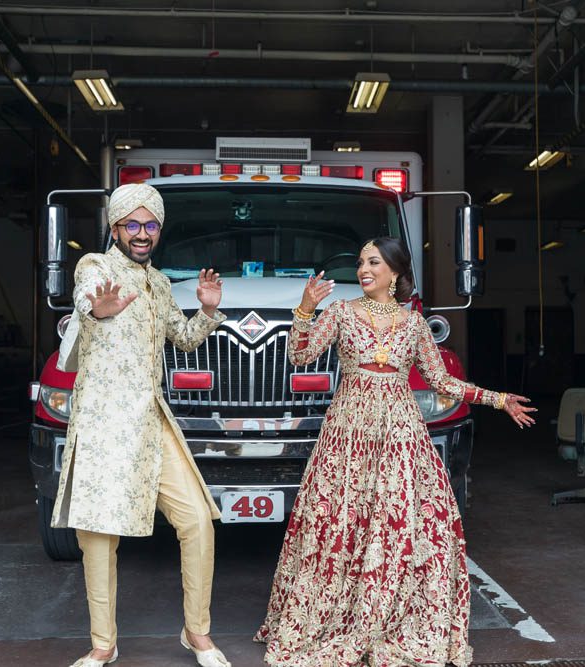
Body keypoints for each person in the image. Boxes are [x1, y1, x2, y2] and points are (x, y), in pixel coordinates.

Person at [254, 237, 536, 667]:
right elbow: (300, 354)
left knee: (401, 522)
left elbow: (442, 382)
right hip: (348, 434)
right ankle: (337, 616)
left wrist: (498, 400)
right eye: (361, 263)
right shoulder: (341, 312)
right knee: (342, 520)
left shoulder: (414, 324)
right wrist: (306, 308)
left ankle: (390, 618)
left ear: (395, 272)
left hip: (401, 436)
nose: (364, 270)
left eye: (373, 262)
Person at [52, 182, 232, 667]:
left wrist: (209, 310)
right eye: (132, 224)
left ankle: (196, 632)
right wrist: (96, 309)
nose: (142, 233)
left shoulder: (159, 284)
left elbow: (186, 339)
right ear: (115, 228)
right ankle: (102, 645)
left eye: (150, 224)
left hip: (151, 419)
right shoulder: (96, 265)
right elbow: (86, 298)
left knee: (197, 519)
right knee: (97, 534)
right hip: (105, 420)